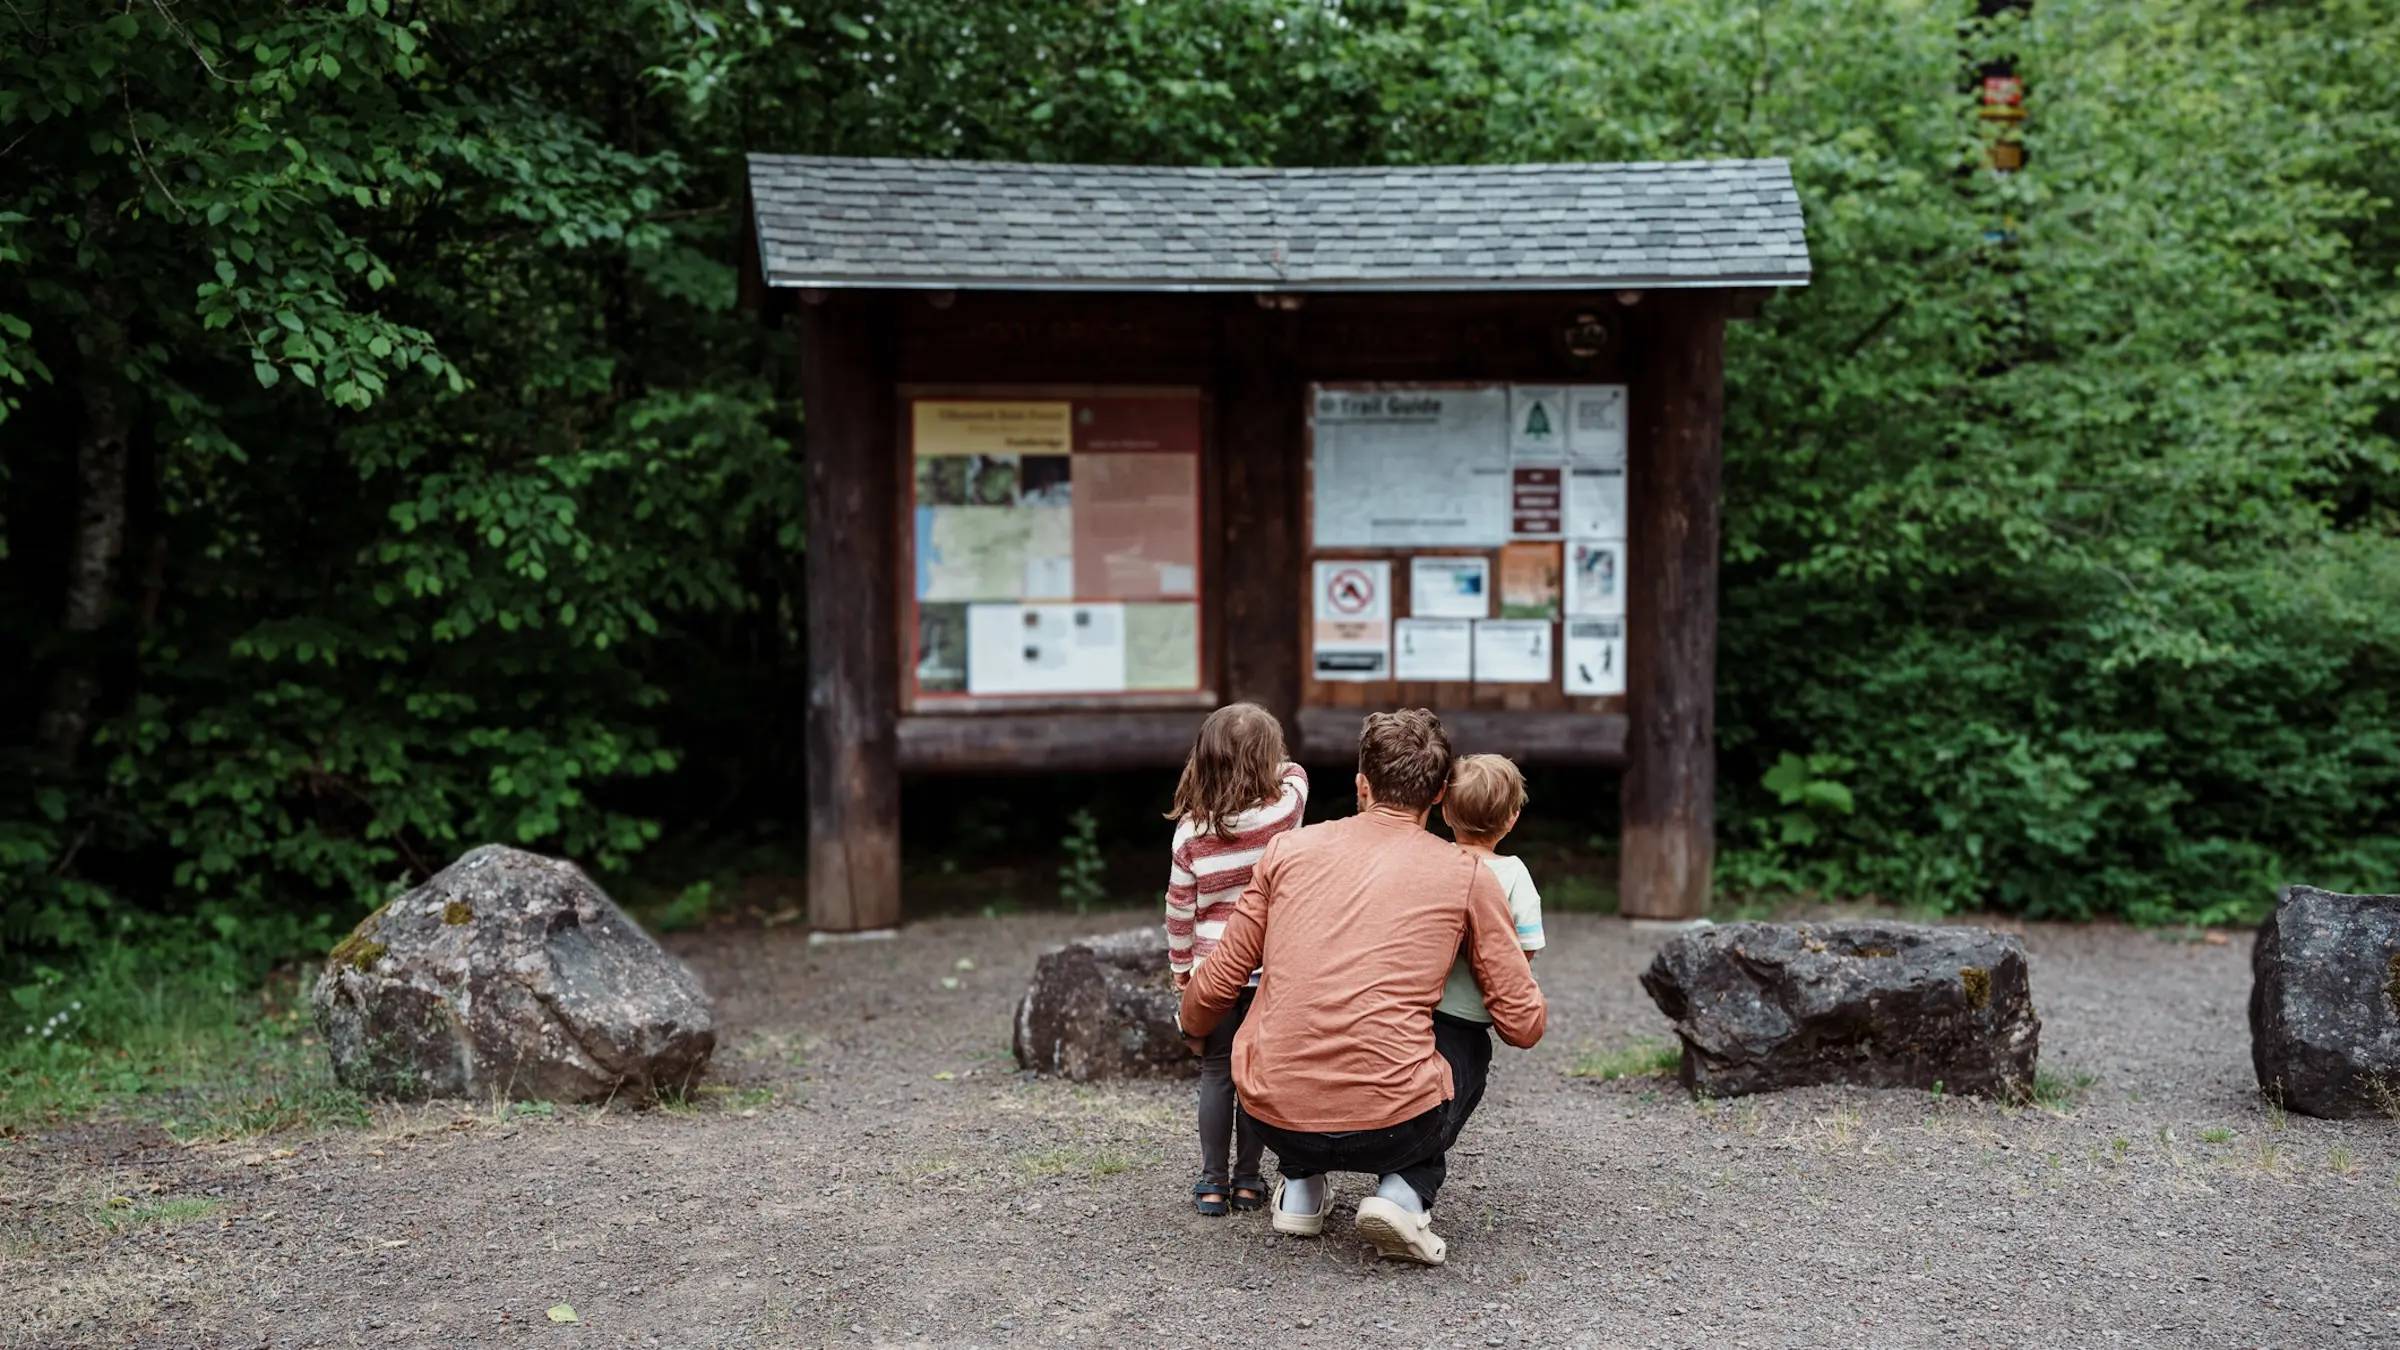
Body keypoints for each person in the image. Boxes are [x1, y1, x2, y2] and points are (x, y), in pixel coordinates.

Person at [1178, 709, 1544, 1266]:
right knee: (1468, 1040)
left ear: (1361, 785)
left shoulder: (1286, 853)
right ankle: (1404, 1192)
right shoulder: (1467, 874)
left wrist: (1192, 1025)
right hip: (1398, 1125)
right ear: (1441, 794)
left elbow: (1223, 977)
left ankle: (1300, 1186)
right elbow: (1522, 1025)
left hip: (1275, 1116)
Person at [1163, 703, 1309, 1217]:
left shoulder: (1191, 835)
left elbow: (1179, 911)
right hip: (1271, 971)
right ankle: (1249, 1180)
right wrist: (1274, 761)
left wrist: (1183, 971)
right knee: (1255, 1074)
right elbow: (1295, 773)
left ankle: (1210, 1182)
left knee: (1216, 1072)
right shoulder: (1285, 811)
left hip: (1214, 973)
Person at [1430, 754, 1544, 1150]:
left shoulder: (1433, 860)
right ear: (1512, 818)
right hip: (1470, 1016)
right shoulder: (1514, 874)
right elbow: (1521, 953)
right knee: (1463, 1084)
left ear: (1444, 811)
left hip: (1421, 1006)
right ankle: (1421, 1160)